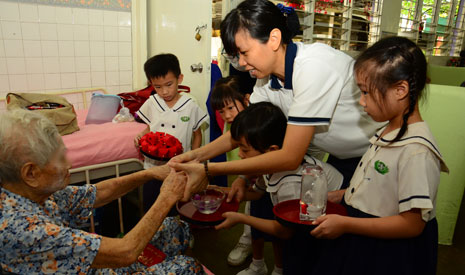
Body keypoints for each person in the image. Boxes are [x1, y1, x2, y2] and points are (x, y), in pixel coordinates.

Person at [169, 0, 382, 203]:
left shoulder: (313, 67)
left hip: (376, 153)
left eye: (244, 52)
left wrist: (208, 169)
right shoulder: (265, 82)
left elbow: (290, 157)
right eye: (236, 56)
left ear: (273, 39)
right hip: (341, 155)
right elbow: (241, 133)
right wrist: (193, 157)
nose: (241, 63)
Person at [304, 36, 449, 275]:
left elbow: (412, 224)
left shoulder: (416, 151)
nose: (362, 102)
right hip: (366, 233)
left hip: (390, 253)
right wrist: (342, 195)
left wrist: (347, 223)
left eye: (366, 93)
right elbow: (382, 187)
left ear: (400, 90)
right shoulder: (389, 129)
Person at [0, 109, 204, 274]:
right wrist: (167, 196)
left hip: (91, 263)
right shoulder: (22, 229)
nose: (69, 163)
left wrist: (149, 174)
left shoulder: (33, 192)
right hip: (106, 262)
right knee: (187, 267)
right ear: (31, 173)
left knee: (174, 228)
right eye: (61, 158)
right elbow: (126, 252)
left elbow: (96, 193)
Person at [215, 102, 343, 275]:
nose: (239, 154)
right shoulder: (271, 166)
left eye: (244, 149)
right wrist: (218, 190)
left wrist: (241, 218)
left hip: (326, 226)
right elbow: (258, 193)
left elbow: (284, 231)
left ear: (272, 150)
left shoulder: (291, 183)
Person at [134, 53, 209, 212]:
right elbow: (150, 128)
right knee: (152, 206)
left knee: (178, 207)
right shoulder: (152, 102)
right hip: (153, 166)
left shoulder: (190, 104)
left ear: (179, 79)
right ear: (151, 84)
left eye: (169, 84)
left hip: (180, 167)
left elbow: (197, 134)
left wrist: (194, 160)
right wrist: (142, 135)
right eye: (158, 87)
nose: (164, 92)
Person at [211, 76, 254, 266]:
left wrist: (243, 178)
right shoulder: (231, 124)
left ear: (246, 99)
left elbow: (258, 164)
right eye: (221, 111)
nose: (227, 115)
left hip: (265, 174)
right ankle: (248, 242)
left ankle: (249, 240)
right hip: (249, 174)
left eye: (230, 108)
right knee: (252, 205)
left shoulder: (256, 124)